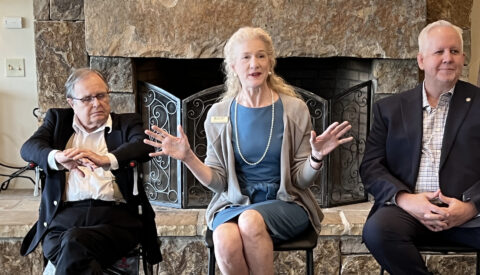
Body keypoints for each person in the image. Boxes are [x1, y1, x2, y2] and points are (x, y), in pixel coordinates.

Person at [144, 26, 352, 275]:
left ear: (270, 62)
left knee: (250, 220)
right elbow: (219, 183)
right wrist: (188, 157)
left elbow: (300, 180)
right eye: (246, 57)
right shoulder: (218, 114)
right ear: (233, 66)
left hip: (286, 203)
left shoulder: (294, 110)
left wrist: (316, 156)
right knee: (223, 237)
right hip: (233, 204)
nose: (255, 63)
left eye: (261, 56)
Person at [360, 20, 480, 275]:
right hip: (411, 212)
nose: (448, 58)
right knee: (377, 231)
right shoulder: (390, 108)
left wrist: (471, 205)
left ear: (463, 58)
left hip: (474, 212)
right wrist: (406, 200)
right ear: (421, 60)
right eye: (439, 52)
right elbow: (371, 167)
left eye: (454, 51)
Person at [20, 68, 162, 274]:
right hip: (63, 222)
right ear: (72, 103)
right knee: (75, 245)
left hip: (115, 220)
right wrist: (57, 157)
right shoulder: (57, 121)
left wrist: (107, 160)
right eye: (87, 99)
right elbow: (29, 147)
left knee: (74, 244)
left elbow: (144, 145)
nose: (97, 103)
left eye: (101, 95)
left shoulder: (127, 123)